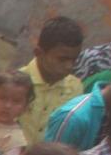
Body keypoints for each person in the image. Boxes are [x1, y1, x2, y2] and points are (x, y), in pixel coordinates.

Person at [19, 16, 85, 146]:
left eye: (74, 60)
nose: (69, 66)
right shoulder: (17, 82)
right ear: (38, 53)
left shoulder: (75, 89)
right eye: (62, 59)